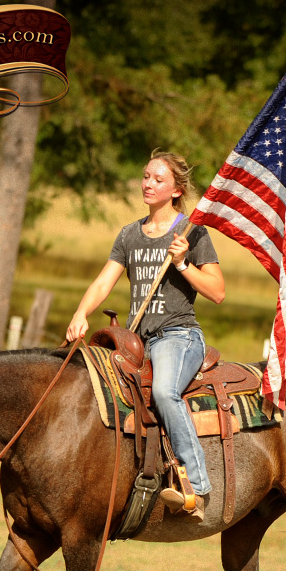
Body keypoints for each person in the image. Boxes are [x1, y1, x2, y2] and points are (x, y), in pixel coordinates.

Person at [66, 149, 225, 520]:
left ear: (175, 189)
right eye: (145, 176)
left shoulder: (191, 233)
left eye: (157, 179)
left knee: (164, 393)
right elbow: (104, 281)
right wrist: (80, 312)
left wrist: (184, 263)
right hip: (139, 339)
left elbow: (217, 292)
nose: (147, 184)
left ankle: (196, 488)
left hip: (179, 336)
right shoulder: (129, 235)